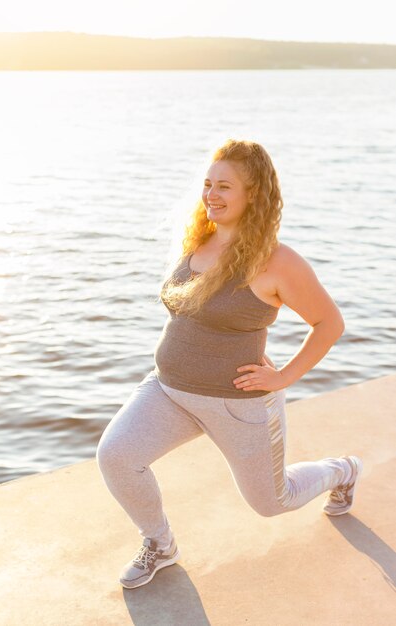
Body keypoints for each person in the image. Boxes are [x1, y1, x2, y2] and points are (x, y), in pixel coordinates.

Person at [96, 138, 363, 590]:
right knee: (116, 456)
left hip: (236, 404)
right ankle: (160, 544)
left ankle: (342, 470)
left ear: (253, 194)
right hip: (168, 389)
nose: (211, 195)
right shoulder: (198, 239)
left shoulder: (277, 262)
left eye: (224, 186)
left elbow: (329, 323)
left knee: (273, 501)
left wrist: (284, 376)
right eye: (207, 184)